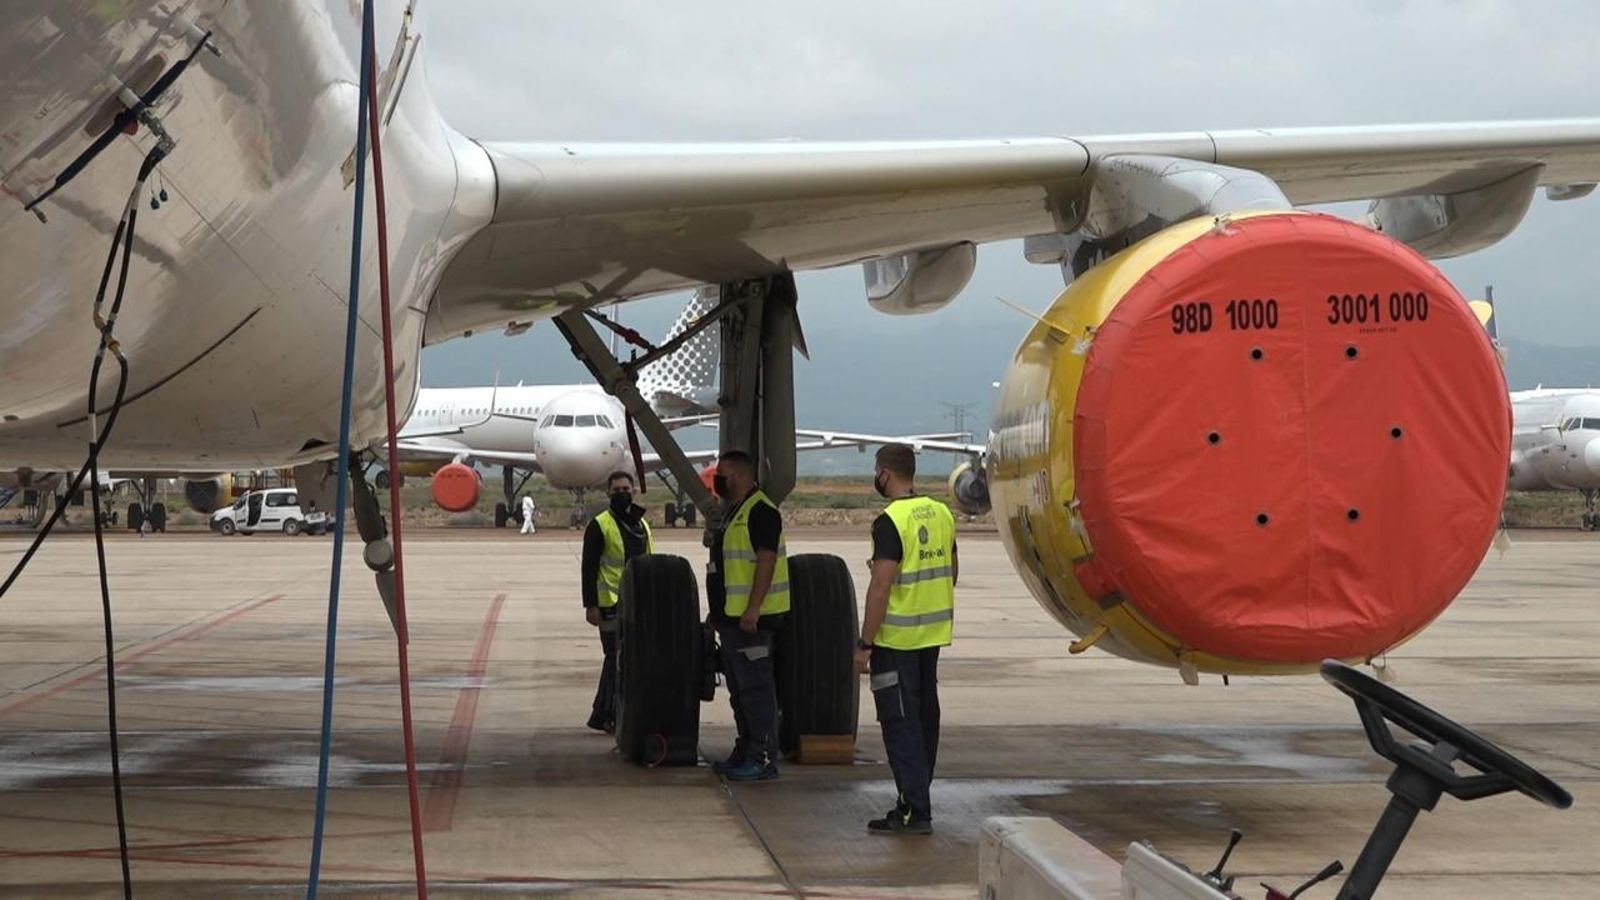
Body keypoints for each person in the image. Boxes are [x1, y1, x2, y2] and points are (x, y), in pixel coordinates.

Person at [853, 442, 957, 835]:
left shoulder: (890, 521)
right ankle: (916, 798)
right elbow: (952, 569)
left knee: (900, 725)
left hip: (896, 641)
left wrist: (864, 644)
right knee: (925, 720)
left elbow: (880, 587)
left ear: (885, 474)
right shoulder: (943, 513)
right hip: (931, 636)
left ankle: (915, 809)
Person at [706, 451, 789, 781]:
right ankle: (746, 748)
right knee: (740, 692)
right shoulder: (734, 513)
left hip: (752, 620)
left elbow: (766, 561)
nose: (718, 480)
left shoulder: (761, 512)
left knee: (756, 690)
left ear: (738, 476)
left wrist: (754, 607)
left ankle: (764, 756)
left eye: (722, 474)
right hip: (731, 618)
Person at [580, 471, 652, 732]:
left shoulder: (642, 524)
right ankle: (606, 713)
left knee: (629, 659)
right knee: (615, 659)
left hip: (638, 604)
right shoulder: (599, 525)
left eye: (626, 488)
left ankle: (606, 713)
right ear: (608, 493)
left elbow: (650, 562)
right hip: (609, 603)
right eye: (617, 489)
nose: (622, 493)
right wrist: (591, 605)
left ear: (634, 491)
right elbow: (588, 567)